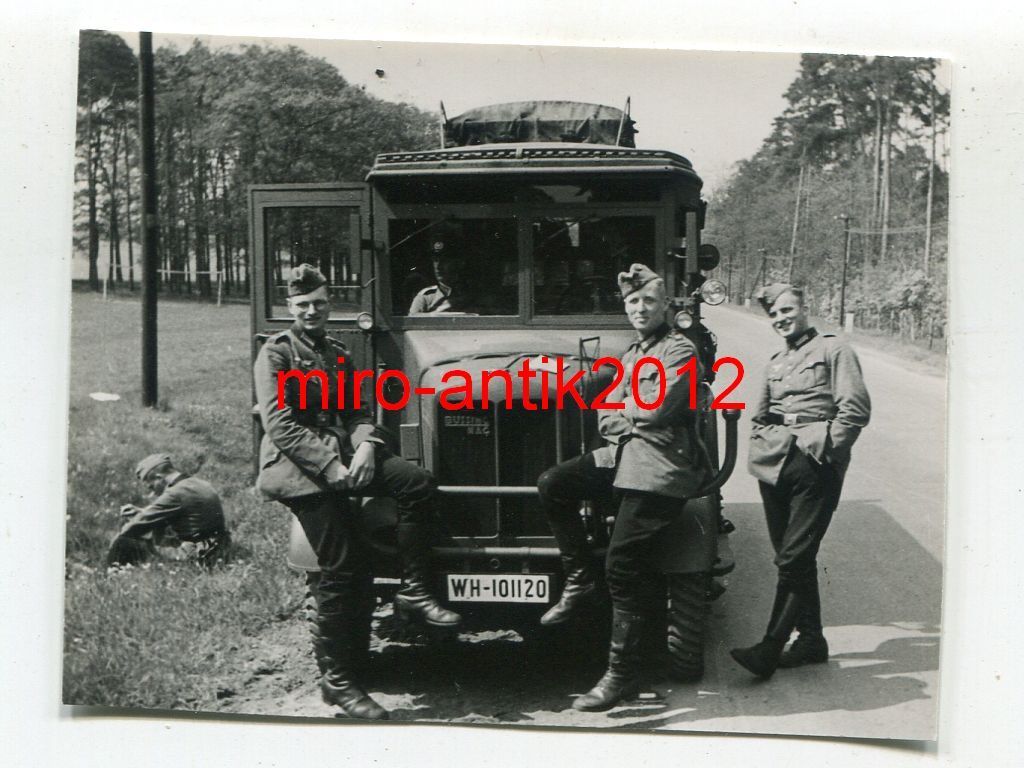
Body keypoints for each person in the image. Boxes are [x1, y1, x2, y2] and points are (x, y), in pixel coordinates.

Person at [254, 263, 460, 721]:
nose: (312, 311)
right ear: (290, 307)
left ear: (331, 305)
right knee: (343, 568)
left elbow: (357, 412)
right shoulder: (277, 354)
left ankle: (414, 590)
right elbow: (281, 424)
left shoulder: (336, 354)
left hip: (346, 458)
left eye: (320, 303)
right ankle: (339, 683)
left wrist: (367, 444)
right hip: (300, 469)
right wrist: (332, 466)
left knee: (416, 483)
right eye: (303, 305)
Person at [536, 263, 708, 712]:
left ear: (666, 305)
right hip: (627, 453)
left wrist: (631, 417)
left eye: (649, 300)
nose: (640, 308)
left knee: (622, 565)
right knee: (554, 483)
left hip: (659, 467)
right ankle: (578, 578)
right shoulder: (633, 354)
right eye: (633, 302)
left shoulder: (680, 351)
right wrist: (633, 420)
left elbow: (658, 407)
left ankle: (621, 676)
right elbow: (608, 413)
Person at [730, 284, 871, 679]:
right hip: (774, 464)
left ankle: (770, 648)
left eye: (787, 309)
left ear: (805, 308)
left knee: (793, 558)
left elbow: (855, 409)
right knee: (791, 557)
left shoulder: (834, 349)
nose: (781, 319)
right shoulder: (775, 361)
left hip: (814, 463)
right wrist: (762, 445)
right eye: (774, 314)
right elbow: (760, 414)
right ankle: (811, 641)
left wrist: (828, 450)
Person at [107, 454, 229, 567]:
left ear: (159, 478)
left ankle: (114, 576)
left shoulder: (175, 493)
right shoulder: (198, 483)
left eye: (151, 486)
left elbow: (135, 526)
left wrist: (117, 539)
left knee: (125, 540)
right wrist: (141, 511)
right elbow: (183, 512)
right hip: (219, 547)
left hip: (199, 554)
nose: (152, 491)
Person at [407, 238, 472, 314]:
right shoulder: (426, 297)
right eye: (436, 260)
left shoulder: (475, 294)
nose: (438, 266)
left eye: (444, 260)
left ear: (459, 262)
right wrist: (435, 314)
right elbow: (413, 322)